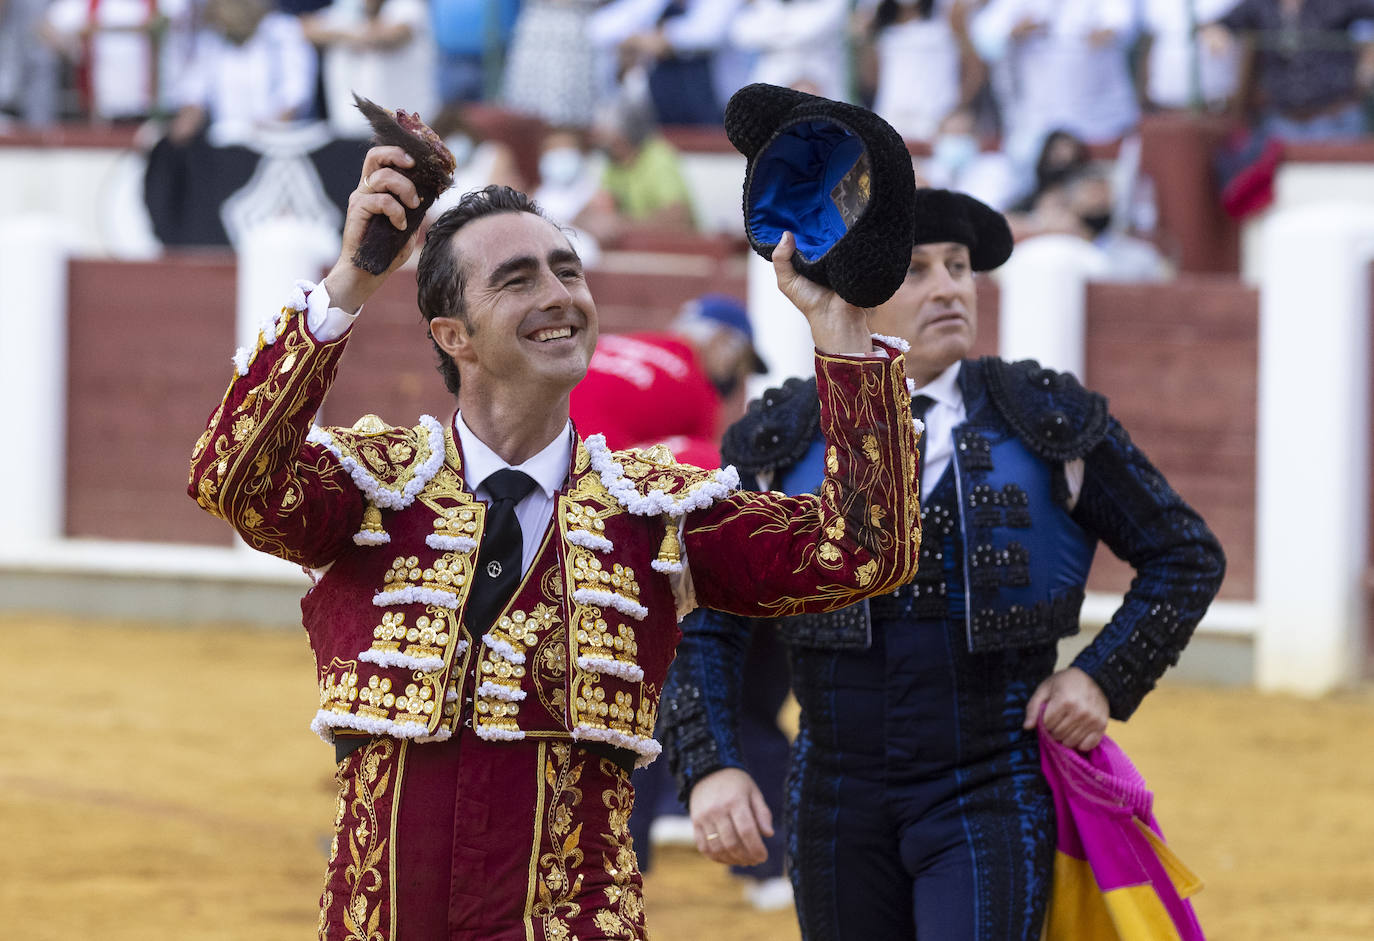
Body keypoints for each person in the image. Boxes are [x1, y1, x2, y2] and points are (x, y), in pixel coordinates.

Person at [186, 143, 923, 938]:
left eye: (567, 271)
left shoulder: (655, 511)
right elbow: (231, 479)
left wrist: (841, 328)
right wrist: (350, 283)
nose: (559, 295)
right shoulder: (374, 491)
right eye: (517, 279)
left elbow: (862, 550)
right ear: (453, 335)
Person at [661, 188, 1226, 940]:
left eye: (958, 267)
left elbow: (1185, 554)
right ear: (858, 290)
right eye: (918, 270)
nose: (950, 287)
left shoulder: (1043, 415)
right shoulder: (780, 433)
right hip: (835, 793)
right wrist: (710, 764)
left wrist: (1101, 674)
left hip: (990, 782)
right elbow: (705, 616)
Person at [1200, 0, 1374, 141]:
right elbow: (1218, 25)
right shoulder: (1260, 5)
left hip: (1336, 120)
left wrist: (1370, 55)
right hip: (1282, 121)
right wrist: (1217, 32)